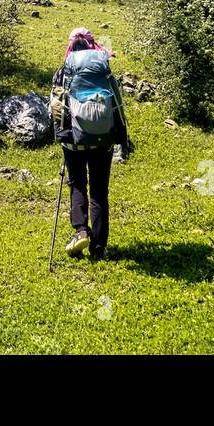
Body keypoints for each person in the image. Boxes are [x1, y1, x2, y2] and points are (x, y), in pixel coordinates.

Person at [50, 27, 132, 261]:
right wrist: (121, 137)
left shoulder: (63, 72)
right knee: (99, 191)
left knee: (77, 184)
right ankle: (99, 247)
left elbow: (55, 106)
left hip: (74, 141)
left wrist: (61, 135)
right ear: (91, 45)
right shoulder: (104, 72)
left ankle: (80, 231)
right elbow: (117, 103)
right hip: (103, 140)